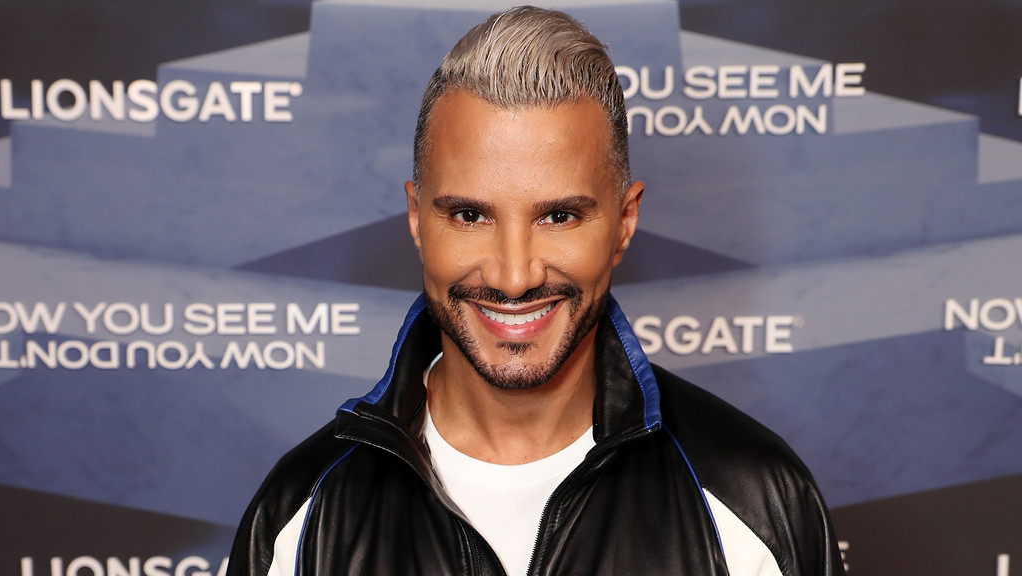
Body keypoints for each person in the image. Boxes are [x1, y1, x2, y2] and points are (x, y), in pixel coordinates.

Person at [227, 6, 845, 576]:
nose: (513, 277)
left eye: (559, 217)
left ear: (624, 223)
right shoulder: (299, 522)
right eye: (470, 216)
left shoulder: (756, 502)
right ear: (417, 219)